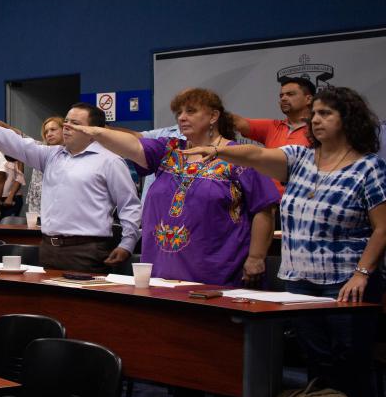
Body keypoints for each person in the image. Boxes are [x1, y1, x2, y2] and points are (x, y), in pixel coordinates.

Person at [181, 86, 385, 397]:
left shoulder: (369, 168)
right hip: (299, 282)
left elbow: (382, 228)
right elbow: (258, 157)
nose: (315, 120)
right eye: (314, 114)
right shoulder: (301, 158)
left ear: (348, 120)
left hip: (346, 285)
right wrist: (221, 152)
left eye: (325, 114)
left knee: (350, 365)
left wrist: (363, 272)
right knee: (316, 365)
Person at [66, 88, 280, 286]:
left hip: (214, 271)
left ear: (214, 116)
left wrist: (256, 257)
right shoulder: (168, 149)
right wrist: (94, 131)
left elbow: (264, 209)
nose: (181, 117)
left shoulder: (239, 157)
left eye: (191, 111)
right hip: (161, 270)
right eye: (179, 112)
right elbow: (130, 145)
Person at [0, 104, 140, 272]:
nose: (66, 126)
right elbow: (16, 143)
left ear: (94, 130)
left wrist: (127, 244)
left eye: (75, 123)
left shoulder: (110, 161)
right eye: (66, 121)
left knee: (80, 310)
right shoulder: (51, 155)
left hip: (88, 249)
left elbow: (129, 205)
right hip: (49, 247)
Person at [232, 77, 315, 193]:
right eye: (281, 96)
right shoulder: (272, 126)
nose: (284, 98)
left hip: (301, 202)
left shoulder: (319, 131)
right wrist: (210, 109)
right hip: (269, 205)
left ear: (308, 99)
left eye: (290, 94)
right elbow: (238, 122)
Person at [25, 116, 63, 217]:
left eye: (53, 130)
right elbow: (21, 138)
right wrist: (6, 127)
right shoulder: (40, 149)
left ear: (64, 130)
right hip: (37, 205)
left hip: (58, 205)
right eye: (46, 132)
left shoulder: (72, 152)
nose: (49, 134)